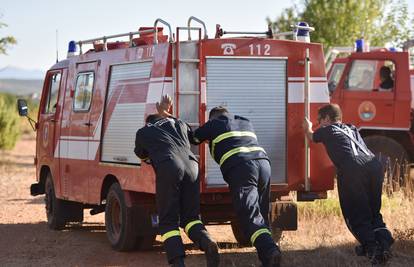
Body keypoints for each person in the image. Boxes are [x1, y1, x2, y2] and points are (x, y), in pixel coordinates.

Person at [190, 106, 281, 267]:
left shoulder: (213, 124)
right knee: (261, 212)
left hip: (242, 167)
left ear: (212, 117)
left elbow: (194, 138)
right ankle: (268, 258)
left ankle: (270, 251)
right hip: (263, 164)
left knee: (249, 214)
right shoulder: (244, 121)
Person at [302, 104, 394, 265]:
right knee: (374, 212)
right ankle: (384, 244)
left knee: (356, 213)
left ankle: (373, 250)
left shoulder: (327, 129)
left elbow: (311, 136)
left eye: (319, 119)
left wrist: (307, 127)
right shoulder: (352, 128)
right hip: (373, 165)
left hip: (352, 168)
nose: (318, 122)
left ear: (328, 119)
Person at [134, 95, 219, 267]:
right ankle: (207, 242)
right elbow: (191, 135)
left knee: (168, 221)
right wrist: (168, 114)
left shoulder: (144, 131)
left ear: (148, 122)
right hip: (192, 167)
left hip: (169, 168)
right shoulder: (179, 124)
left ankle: (177, 262)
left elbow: (141, 154)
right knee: (191, 218)